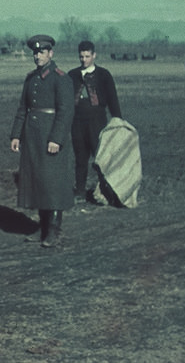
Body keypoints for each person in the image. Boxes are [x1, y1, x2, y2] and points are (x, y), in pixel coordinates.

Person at [10, 34, 75, 247]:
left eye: (42, 52)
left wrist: (56, 138)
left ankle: (54, 230)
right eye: (35, 52)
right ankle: (42, 227)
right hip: (32, 137)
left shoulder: (61, 78)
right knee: (38, 181)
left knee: (52, 183)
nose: (38, 56)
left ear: (51, 53)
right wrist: (16, 134)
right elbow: (23, 108)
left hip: (50, 137)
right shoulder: (31, 78)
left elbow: (65, 112)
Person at [67, 40, 122, 203]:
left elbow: (113, 99)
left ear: (94, 55)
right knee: (80, 158)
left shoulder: (104, 75)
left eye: (87, 56)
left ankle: (106, 191)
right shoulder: (72, 75)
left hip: (97, 121)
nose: (84, 60)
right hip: (77, 122)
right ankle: (80, 191)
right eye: (81, 56)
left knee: (100, 157)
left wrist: (118, 120)